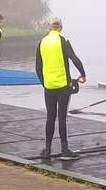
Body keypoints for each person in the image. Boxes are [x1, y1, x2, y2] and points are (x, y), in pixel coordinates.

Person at [34, 18, 86, 160]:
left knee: (50, 117)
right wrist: (83, 74)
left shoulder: (42, 42)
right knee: (62, 116)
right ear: (61, 28)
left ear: (49, 28)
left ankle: (47, 150)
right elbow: (74, 59)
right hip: (63, 86)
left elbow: (38, 67)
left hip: (49, 86)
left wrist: (44, 83)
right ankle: (64, 149)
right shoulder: (63, 41)